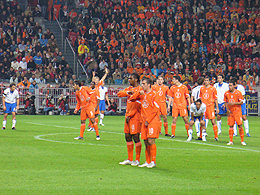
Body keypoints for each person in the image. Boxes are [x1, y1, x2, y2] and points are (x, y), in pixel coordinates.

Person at [130, 77, 160, 168]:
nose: (142, 86)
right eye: (142, 84)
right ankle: (147, 161)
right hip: (144, 120)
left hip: (152, 120)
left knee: (151, 140)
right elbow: (131, 99)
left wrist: (148, 120)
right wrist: (138, 93)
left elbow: (156, 108)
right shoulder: (142, 94)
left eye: (144, 84)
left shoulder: (154, 94)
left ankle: (153, 161)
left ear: (149, 84)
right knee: (146, 141)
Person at [117, 73, 142, 166]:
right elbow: (119, 94)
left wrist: (130, 115)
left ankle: (137, 160)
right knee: (127, 136)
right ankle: (130, 159)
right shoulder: (129, 89)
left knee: (135, 136)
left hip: (135, 116)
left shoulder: (140, 90)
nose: (129, 80)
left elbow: (138, 104)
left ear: (136, 79)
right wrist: (128, 93)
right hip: (127, 116)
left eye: (131, 78)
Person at [224, 81, 246, 146]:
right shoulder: (226, 93)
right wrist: (227, 110)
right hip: (230, 112)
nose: (229, 87)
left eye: (231, 85)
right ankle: (231, 140)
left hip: (237, 111)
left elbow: (241, 102)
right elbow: (225, 102)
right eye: (229, 85)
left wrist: (234, 103)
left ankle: (242, 140)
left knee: (240, 125)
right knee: (230, 126)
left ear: (234, 86)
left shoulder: (238, 93)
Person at [199, 76, 219, 141]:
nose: (206, 82)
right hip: (203, 107)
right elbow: (200, 98)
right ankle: (201, 135)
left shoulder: (213, 89)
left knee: (213, 121)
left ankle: (216, 136)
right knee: (202, 121)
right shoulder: (202, 89)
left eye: (207, 80)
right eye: (205, 80)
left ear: (209, 82)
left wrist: (217, 108)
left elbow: (215, 99)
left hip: (210, 107)